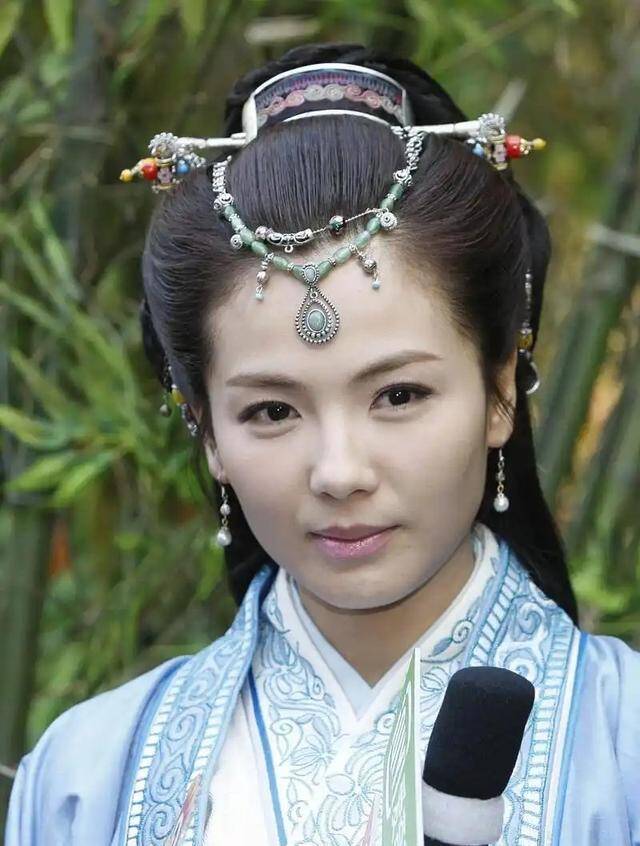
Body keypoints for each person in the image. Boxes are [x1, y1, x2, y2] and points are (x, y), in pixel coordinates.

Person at [5, 41, 640, 846]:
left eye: (399, 396)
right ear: (205, 430)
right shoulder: (88, 778)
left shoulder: (623, 749)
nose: (339, 473)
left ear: (500, 394)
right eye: (272, 411)